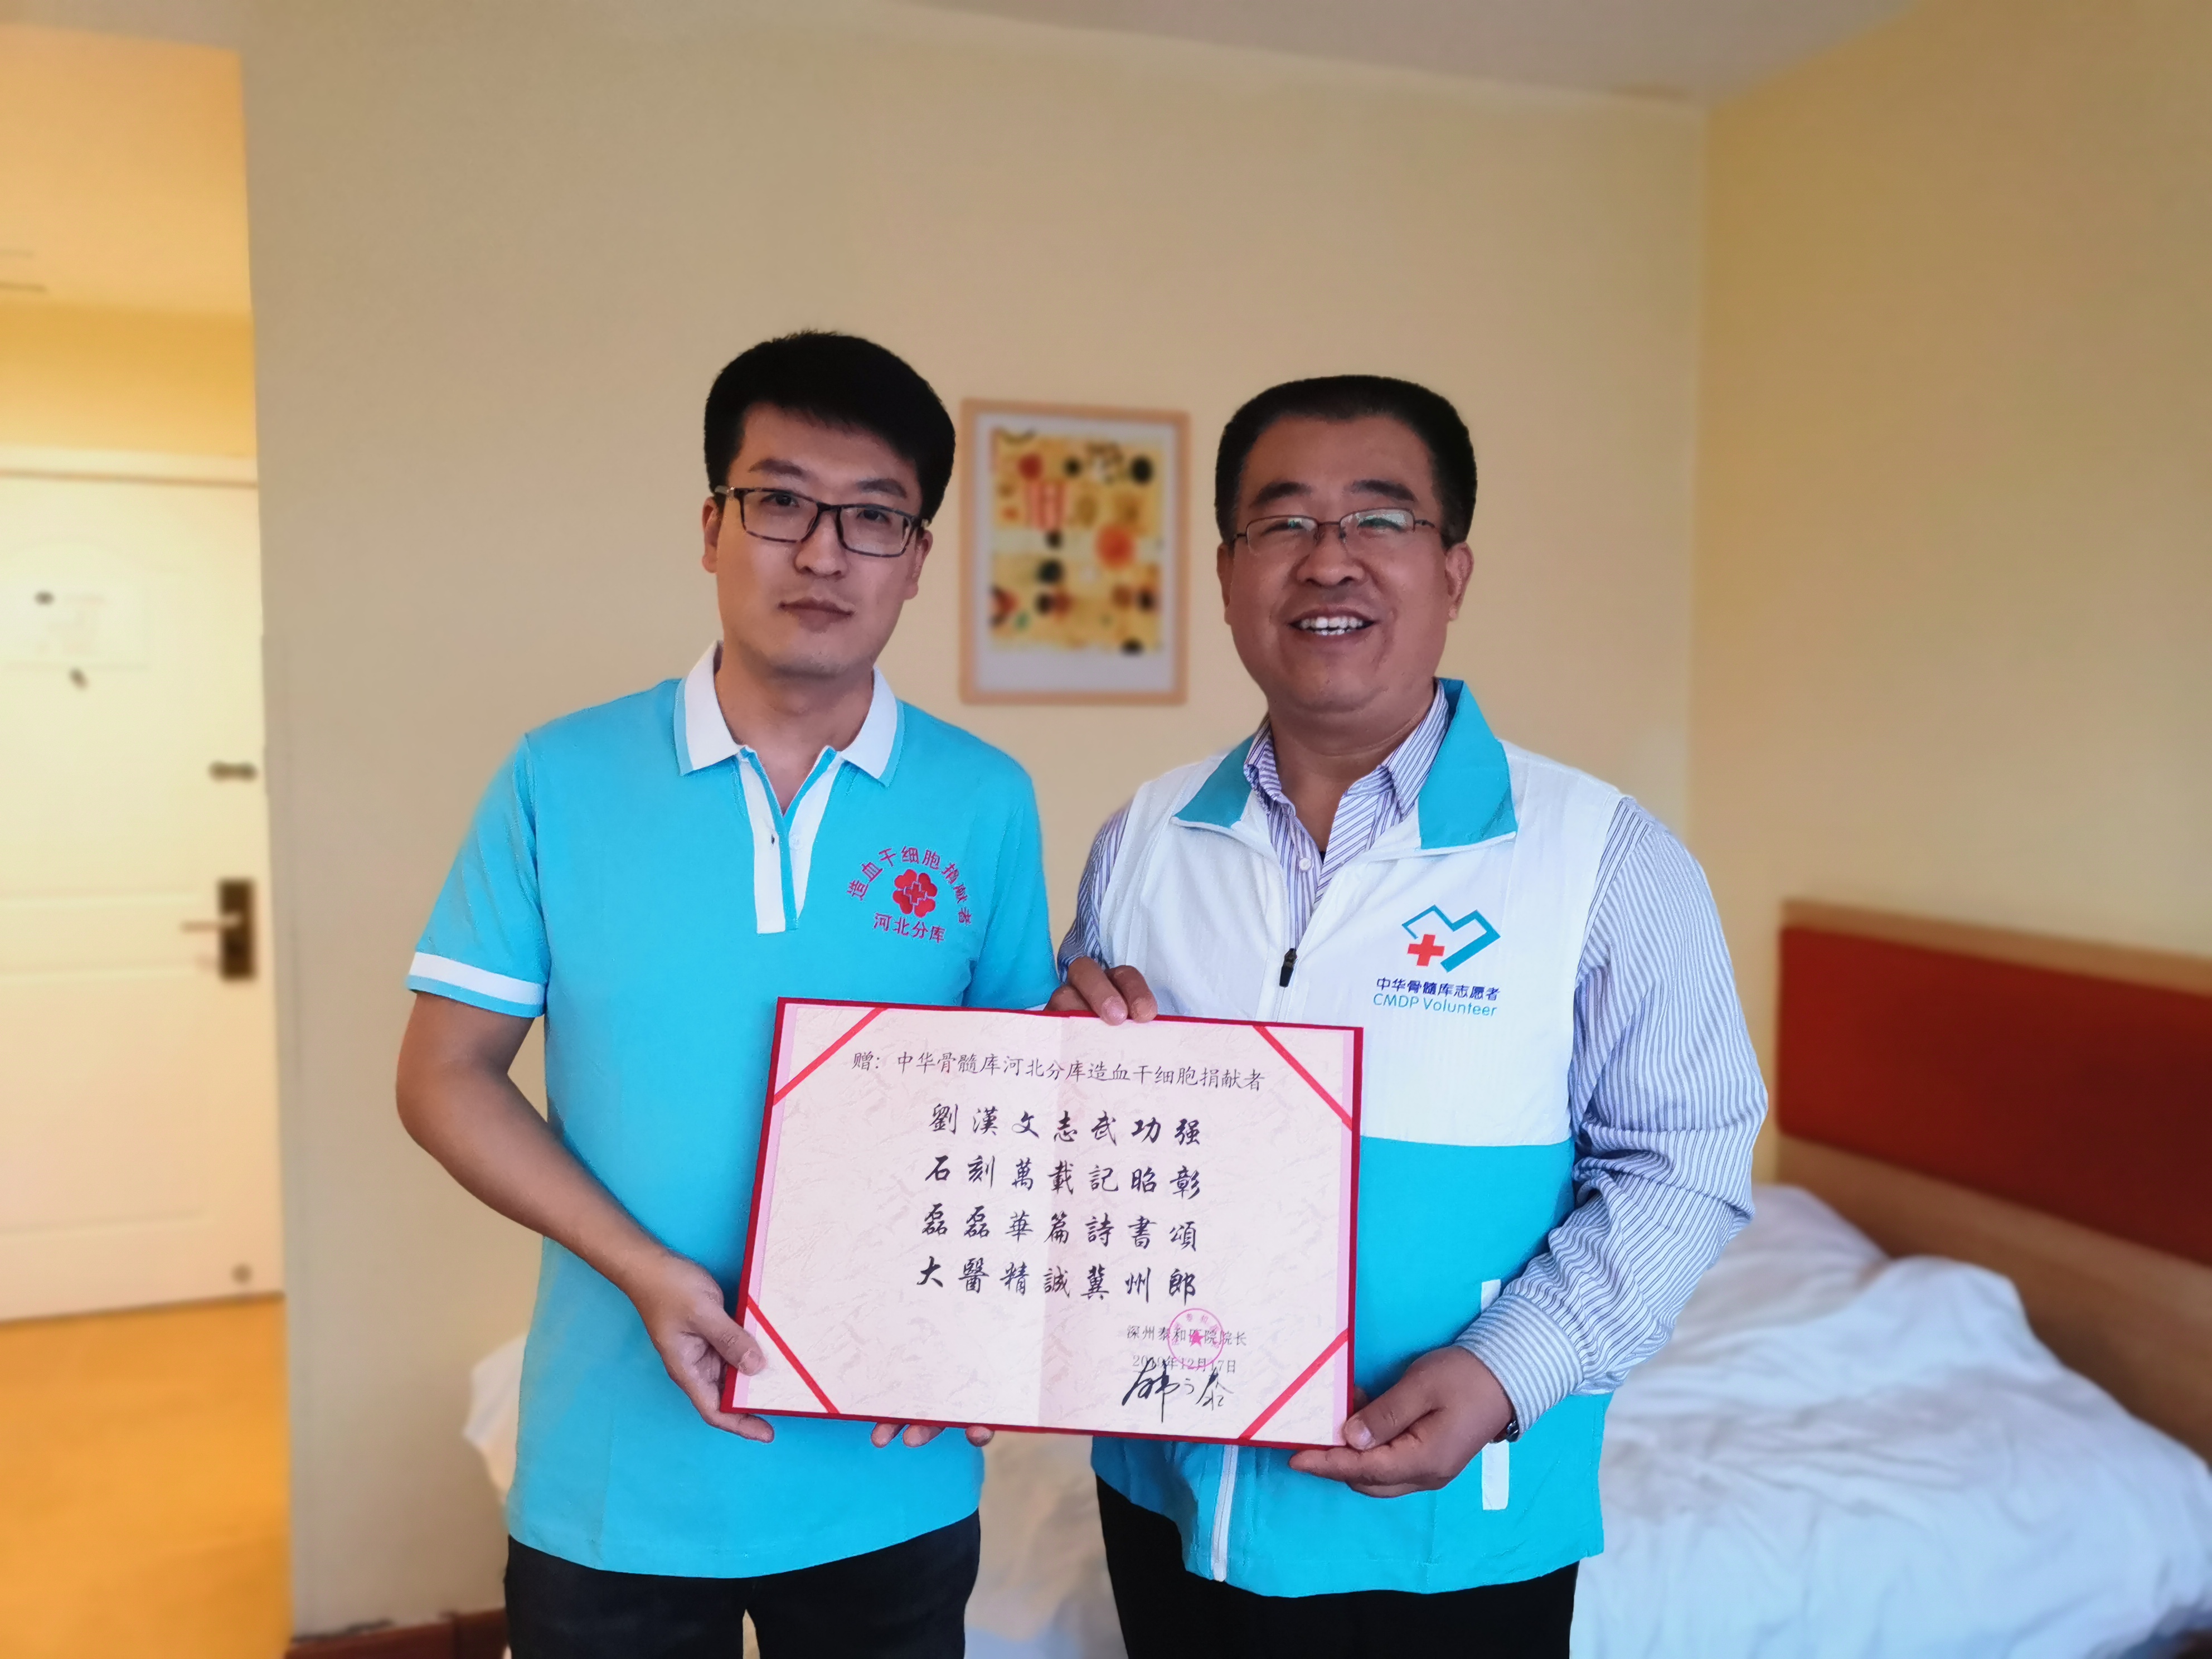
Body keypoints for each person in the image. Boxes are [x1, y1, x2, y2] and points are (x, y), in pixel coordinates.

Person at [1051, 375, 1767, 1656]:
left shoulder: (1602, 857)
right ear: (1227, 574)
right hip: (1168, 1493)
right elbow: (1075, 1113)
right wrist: (1062, 1048)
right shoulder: (1144, 838)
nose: (1328, 559)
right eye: (1282, 522)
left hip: (1455, 1519)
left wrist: (1507, 1369)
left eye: (1379, 520)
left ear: (1452, 571)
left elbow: (1688, 1159)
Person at [395, 332, 1058, 1659]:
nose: (824, 553)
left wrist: (992, 1338)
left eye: (872, 517)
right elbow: (442, 1075)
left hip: (890, 1464)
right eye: (780, 502)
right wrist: (645, 1271)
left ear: (916, 557)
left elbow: (1018, 1103)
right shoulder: (560, 776)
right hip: (614, 1475)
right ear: (711, 527)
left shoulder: (984, 799)